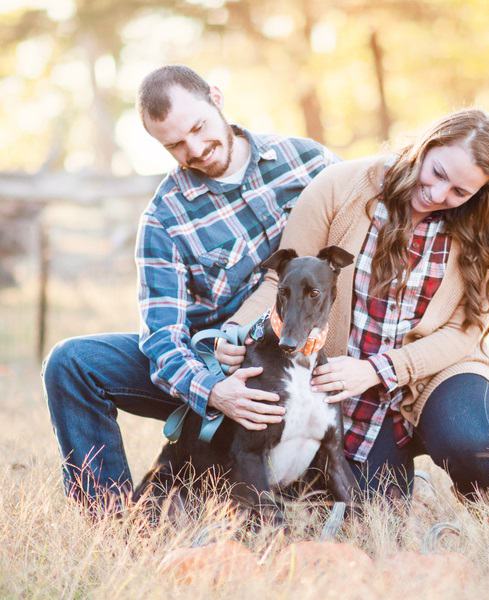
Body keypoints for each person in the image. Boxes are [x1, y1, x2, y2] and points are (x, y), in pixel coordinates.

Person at [41, 65, 339, 511]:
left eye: (198, 128)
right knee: (71, 362)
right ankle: (111, 525)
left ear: (216, 98)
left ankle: (298, 490)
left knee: (367, 488)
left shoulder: (308, 162)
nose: (195, 149)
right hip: (213, 366)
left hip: (304, 354)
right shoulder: (164, 218)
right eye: (175, 145)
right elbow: (162, 336)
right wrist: (213, 391)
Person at [218, 108, 489, 505]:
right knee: (369, 514)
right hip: (351, 384)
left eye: (460, 192)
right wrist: (233, 330)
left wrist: (381, 369)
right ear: (427, 146)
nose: (439, 195)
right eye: (438, 173)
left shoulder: (475, 226)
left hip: (433, 371)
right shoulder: (341, 187)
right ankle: (402, 470)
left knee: (471, 443)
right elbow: (284, 281)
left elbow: (464, 330)